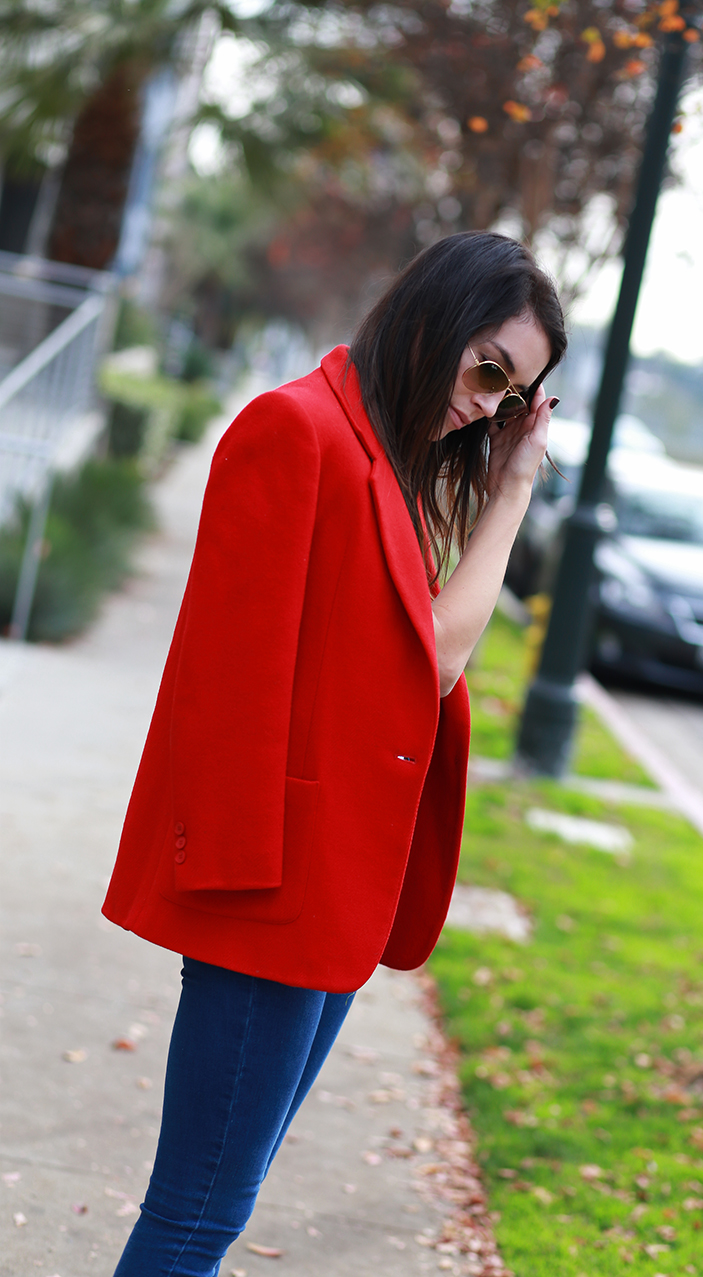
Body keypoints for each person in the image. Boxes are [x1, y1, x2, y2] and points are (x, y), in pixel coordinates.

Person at [103, 230, 567, 1276]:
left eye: (512, 394)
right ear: (434, 319)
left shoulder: (390, 464)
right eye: (487, 367)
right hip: (270, 897)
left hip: (333, 901)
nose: (489, 403)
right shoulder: (294, 430)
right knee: (195, 1214)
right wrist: (235, 896)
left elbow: (431, 663)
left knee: (217, 1204)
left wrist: (506, 490)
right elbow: (226, 679)